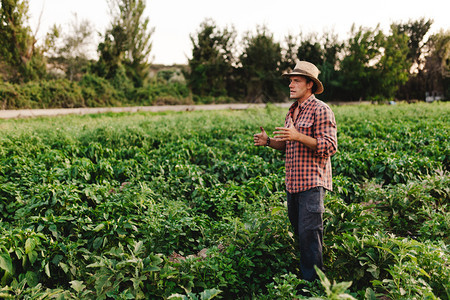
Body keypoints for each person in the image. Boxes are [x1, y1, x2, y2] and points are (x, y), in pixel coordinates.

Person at [253, 60, 337, 281]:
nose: (291, 85)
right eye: (290, 81)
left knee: (310, 236)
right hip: (293, 184)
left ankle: (315, 286)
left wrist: (299, 135)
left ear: (309, 84)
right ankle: (308, 278)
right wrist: (269, 141)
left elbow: (330, 146)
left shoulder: (321, 110)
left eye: (296, 81)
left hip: (312, 185)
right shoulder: (292, 111)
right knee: (302, 236)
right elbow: (289, 144)